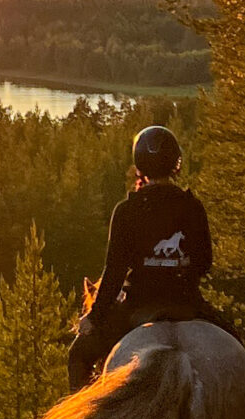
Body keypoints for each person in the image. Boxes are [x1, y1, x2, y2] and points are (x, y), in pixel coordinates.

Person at [67, 125, 218, 391]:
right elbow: (205, 262)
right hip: (188, 303)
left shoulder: (127, 210)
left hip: (139, 306)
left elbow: (113, 272)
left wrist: (94, 316)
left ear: (140, 166)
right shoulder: (191, 206)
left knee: (78, 355)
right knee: (235, 343)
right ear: (175, 164)